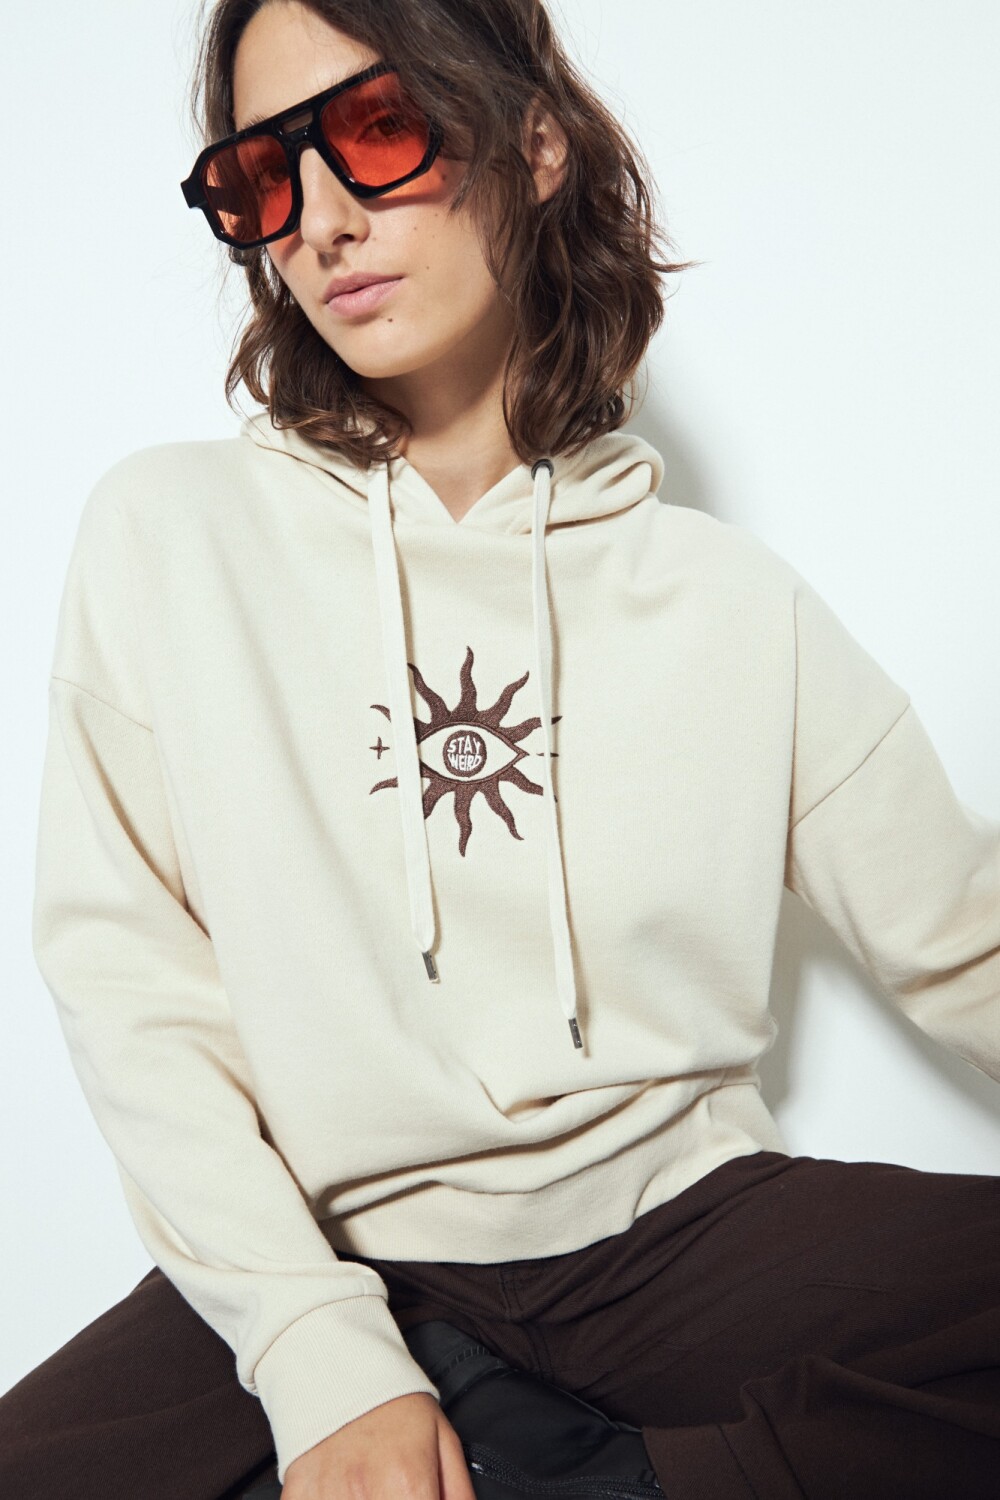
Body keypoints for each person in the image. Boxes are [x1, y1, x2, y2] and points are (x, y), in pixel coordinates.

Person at [3, 0, 999, 1497]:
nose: (322, 222)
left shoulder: (732, 604)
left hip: (674, 1237)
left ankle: (610, 1480)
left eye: (380, 129)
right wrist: (320, 1354)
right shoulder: (169, 533)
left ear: (533, 144)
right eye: (264, 177)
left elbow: (969, 944)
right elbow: (130, 982)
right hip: (341, 1248)